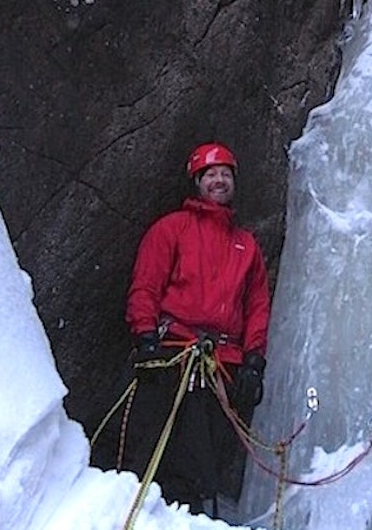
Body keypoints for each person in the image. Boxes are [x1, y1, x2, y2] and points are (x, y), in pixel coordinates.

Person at [119, 141, 271, 516]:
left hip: (221, 363)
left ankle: (193, 514)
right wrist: (145, 337)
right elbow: (146, 285)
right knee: (160, 446)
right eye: (211, 174)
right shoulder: (172, 229)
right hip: (174, 351)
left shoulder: (246, 245)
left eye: (225, 174)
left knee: (205, 457)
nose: (219, 180)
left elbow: (256, 306)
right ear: (197, 182)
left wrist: (254, 360)